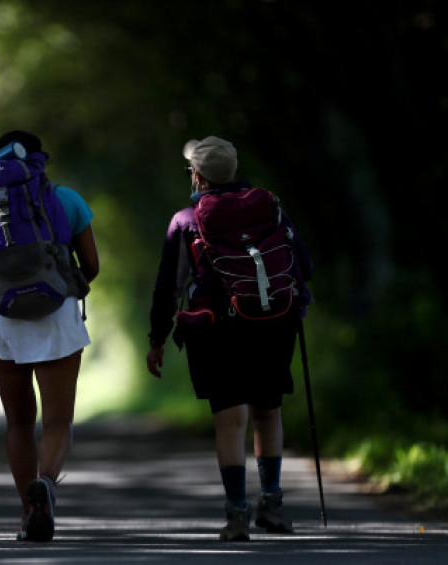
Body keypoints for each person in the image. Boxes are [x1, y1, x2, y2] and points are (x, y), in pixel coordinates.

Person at [145, 136, 313, 541]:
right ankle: (271, 506)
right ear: (234, 170)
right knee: (268, 413)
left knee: (231, 421)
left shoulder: (187, 220)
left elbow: (169, 286)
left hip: (216, 330)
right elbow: (302, 265)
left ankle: (237, 514)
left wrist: (157, 339)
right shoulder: (271, 208)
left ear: (197, 175)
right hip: (273, 322)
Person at [0, 130, 99, 542]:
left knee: (18, 422)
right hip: (58, 316)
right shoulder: (65, 199)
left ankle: (26, 514)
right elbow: (91, 266)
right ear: (37, 161)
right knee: (57, 421)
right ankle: (46, 485)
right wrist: (59, 291)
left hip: (1, 320)